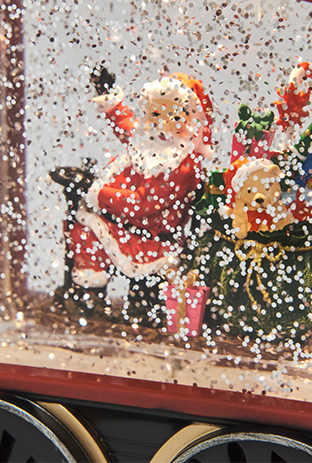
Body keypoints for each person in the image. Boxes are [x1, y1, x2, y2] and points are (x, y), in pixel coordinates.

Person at [65, 69, 213, 301]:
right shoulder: (149, 141)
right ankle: (89, 296)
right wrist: (108, 95)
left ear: (190, 120)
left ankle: (120, 300)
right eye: (156, 114)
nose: (163, 124)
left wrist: (97, 193)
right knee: (82, 231)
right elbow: (127, 127)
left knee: (88, 234)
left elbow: (141, 204)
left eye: (174, 117)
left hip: (149, 241)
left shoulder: (182, 165)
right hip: (123, 226)